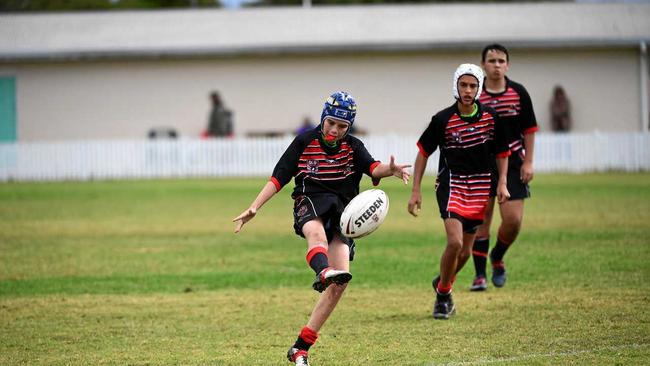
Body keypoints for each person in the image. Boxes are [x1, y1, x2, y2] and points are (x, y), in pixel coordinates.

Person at [233, 91, 411, 365]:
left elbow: (373, 168)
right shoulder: (305, 142)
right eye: (331, 123)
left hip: (344, 212)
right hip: (310, 201)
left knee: (341, 282)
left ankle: (300, 348)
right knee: (315, 234)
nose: (335, 130)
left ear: (349, 127)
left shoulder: (353, 146)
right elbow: (279, 176)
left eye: (342, 127)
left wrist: (391, 169)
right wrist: (255, 207)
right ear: (323, 118)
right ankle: (322, 270)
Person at [407, 64, 511, 319]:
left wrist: (503, 182)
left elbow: (502, 153)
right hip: (451, 185)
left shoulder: (490, 117)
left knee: (465, 252)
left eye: (473, 85)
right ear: (456, 86)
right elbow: (423, 153)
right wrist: (416, 190)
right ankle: (443, 296)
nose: (467, 90)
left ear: (479, 88)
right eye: (463, 85)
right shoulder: (442, 119)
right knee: (454, 243)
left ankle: (443, 285)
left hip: (480, 187)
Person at [469, 43, 539, 291]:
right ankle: (479, 276)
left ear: (507, 65)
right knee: (482, 219)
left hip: (514, 164)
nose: (496, 65)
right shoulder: (475, 94)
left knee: (513, 221)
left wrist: (529, 162)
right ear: (483, 65)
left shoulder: (518, 93)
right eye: (492, 60)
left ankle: (497, 257)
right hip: (482, 165)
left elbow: (530, 129)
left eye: (501, 61)